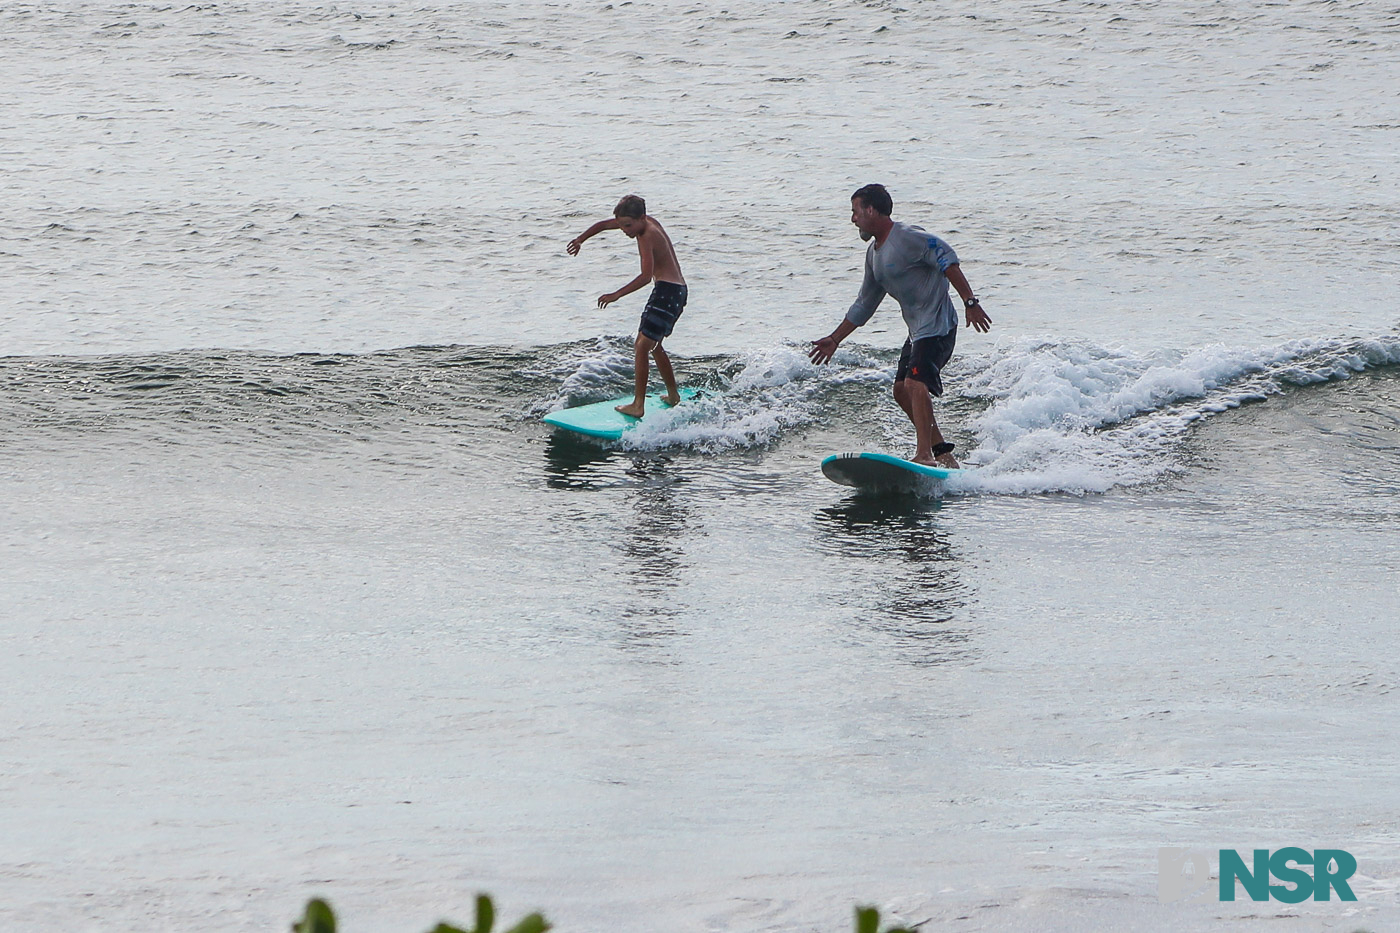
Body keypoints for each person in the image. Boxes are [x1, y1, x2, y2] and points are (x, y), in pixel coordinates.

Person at [809, 184, 991, 468]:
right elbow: (864, 304)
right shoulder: (874, 255)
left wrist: (970, 302)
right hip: (917, 332)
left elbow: (947, 257)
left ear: (871, 210)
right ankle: (942, 453)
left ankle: (924, 454)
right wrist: (835, 339)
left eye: (855, 212)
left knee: (915, 383)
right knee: (900, 390)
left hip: (938, 327)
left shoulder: (907, 238)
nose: (853, 219)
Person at [567, 194, 688, 418]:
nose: (624, 230)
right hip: (677, 291)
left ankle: (638, 405)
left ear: (641, 218)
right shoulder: (644, 222)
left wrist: (616, 295)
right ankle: (673, 396)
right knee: (654, 345)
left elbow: (645, 277)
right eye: (622, 225)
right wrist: (580, 239)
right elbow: (604, 225)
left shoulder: (646, 235)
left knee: (641, 346)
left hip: (667, 292)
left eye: (628, 226)